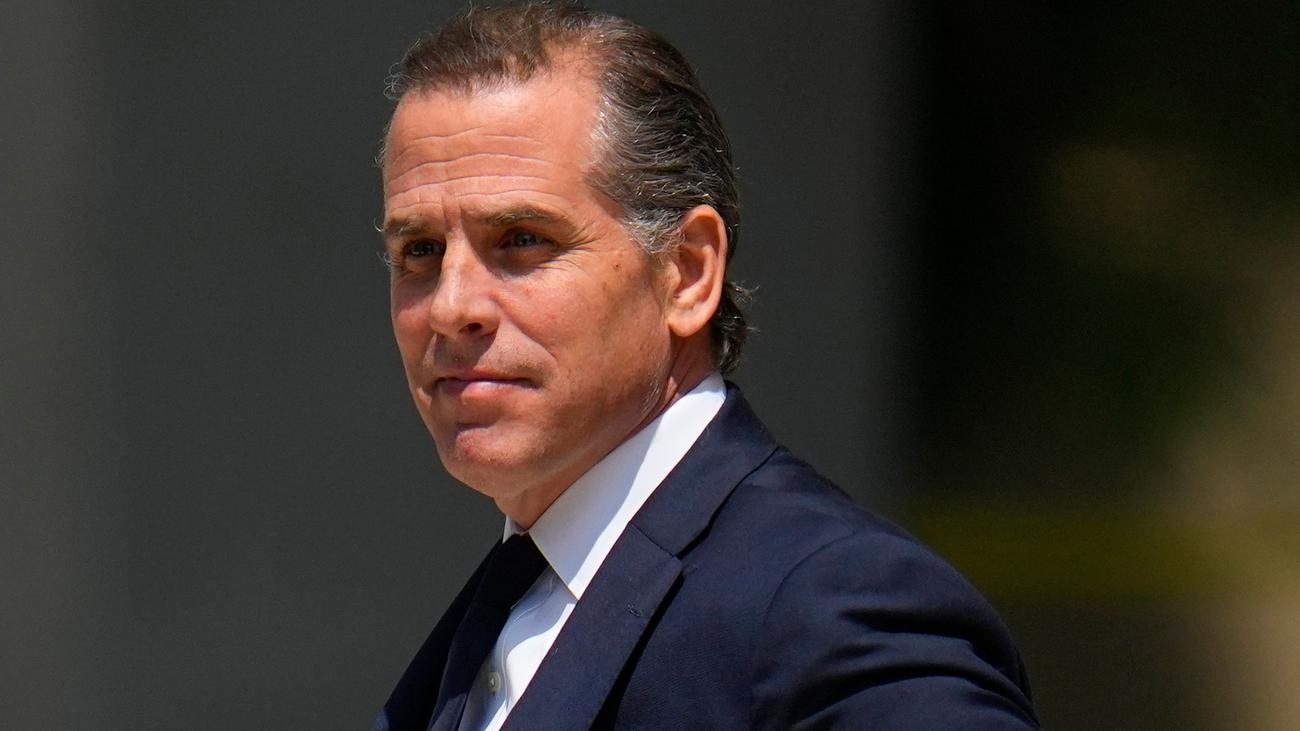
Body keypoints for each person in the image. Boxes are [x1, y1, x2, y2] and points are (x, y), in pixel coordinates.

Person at [371, 2, 1038, 729]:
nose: (452, 306)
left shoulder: (828, 604)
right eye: (420, 251)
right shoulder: (505, 611)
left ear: (687, 273)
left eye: (524, 239)